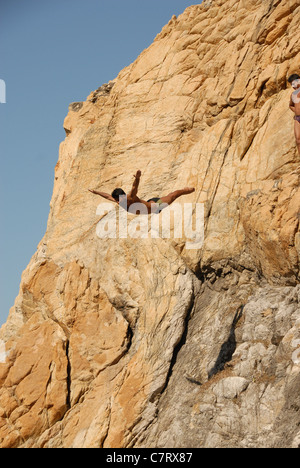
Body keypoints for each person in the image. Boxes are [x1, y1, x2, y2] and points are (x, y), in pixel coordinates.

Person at [89, 170, 195, 214]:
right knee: (170, 196)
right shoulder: (118, 201)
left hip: (155, 206)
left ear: (123, 196)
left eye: (118, 199)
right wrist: (96, 192)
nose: (117, 202)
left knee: (173, 195)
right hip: (149, 206)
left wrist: (138, 178)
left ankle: (188, 189)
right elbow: (107, 196)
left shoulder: (130, 197)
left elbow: (134, 187)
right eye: (116, 200)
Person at [288, 73, 300, 155]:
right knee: (298, 140)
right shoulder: (293, 94)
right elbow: (290, 105)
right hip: (297, 118)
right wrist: (295, 110)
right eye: (291, 84)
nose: (293, 86)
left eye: (294, 83)